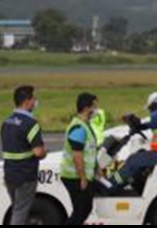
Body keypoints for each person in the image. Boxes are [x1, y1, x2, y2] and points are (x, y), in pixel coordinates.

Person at [1, 85, 47, 225]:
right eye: (34, 99)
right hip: (25, 174)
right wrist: (44, 152)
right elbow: (38, 152)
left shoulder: (6, 122)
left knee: (17, 209)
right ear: (27, 101)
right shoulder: (31, 124)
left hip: (9, 173)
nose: (35, 102)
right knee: (20, 212)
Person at [62, 93, 100, 225]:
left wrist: (96, 167)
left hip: (79, 176)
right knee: (80, 211)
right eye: (94, 106)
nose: (96, 109)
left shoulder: (85, 125)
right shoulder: (78, 128)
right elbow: (77, 156)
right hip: (74, 177)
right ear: (86, 108)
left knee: (83, 210)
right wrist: (82, 178)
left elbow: (89, 151)